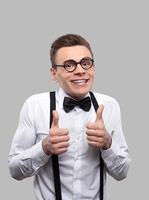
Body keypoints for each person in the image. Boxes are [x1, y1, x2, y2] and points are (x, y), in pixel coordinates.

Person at [8, 33, 130, 200]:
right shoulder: (34, 105)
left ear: (93, 68)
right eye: (69, 65)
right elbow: (15, 171)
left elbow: (122, 173)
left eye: (86, 63)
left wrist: (108, 144)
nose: (80, 71)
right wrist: (44, 147)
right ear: (53, 73)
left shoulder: (110, 105)